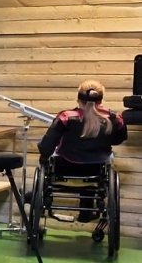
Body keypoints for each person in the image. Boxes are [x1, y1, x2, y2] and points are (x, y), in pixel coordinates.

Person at [37, 79, 127, 222]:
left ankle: (37, 195)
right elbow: (117, 140)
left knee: (46, 158)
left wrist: (44, 152)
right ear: (101, 100)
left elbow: (46, 147)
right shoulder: (115, 119)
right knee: (94, 161)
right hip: (96, 171)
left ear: (78, 99)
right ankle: (85, 213)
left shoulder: (66, 117)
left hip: (64, 168)